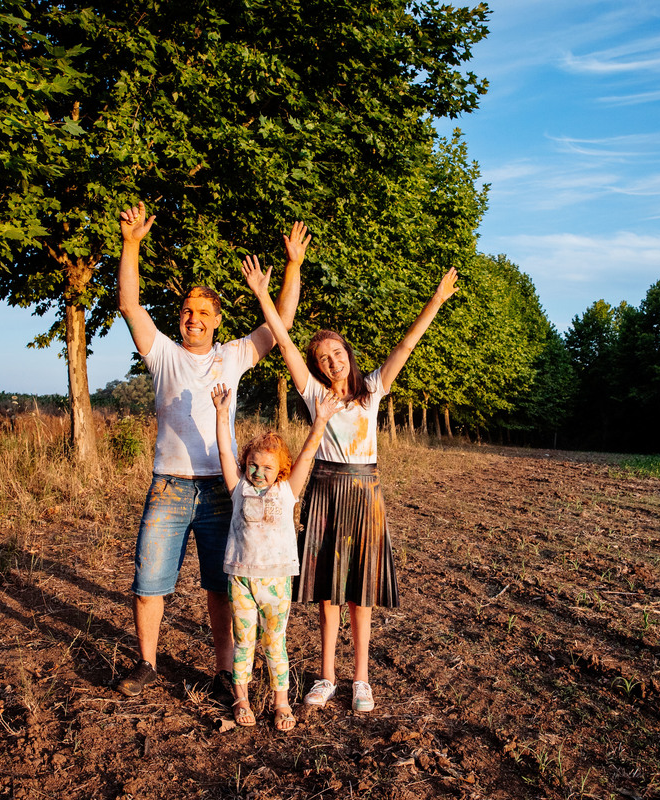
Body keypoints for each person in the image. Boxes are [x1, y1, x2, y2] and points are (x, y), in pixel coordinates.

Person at [240, 254, 458, 712]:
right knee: (327, 593)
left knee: (361, 593)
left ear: (348, 356)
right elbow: (283, 343)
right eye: (323, 358)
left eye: (337, 353)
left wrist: (436, 300)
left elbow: (406, 345)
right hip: (324, 493)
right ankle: (326, 677)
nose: (331, 361)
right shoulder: (314, 393)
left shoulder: (373, 389)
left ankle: (361, 680)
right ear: (318, 367)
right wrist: (263, 293)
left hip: (365, 495)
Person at [115, 202, 311, 699]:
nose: (193, 317)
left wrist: (291, 267)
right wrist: (132, 244)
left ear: (218, 321)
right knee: (150, 577)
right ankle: (146, 664)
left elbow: (280, 323)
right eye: (187, 310)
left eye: (204, 312)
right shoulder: (161, 353)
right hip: (169, 485)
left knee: (221, 584)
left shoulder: (233, 356)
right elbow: (130, 307)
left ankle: (225, 671)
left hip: (225, 491)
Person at [210, 382, 338, 731]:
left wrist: (321, 420)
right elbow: (224, 453)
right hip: (241, 576)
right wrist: (222, 415)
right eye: (253, 465)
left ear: (281, 469)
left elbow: (309, 454)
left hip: (277, 579)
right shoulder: (239, 488)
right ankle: (241, 698)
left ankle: (281, 702)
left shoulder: (286, 490)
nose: (259, 473)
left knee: (274, 642)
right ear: (246, 464)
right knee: (244, 641)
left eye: (268, 467)